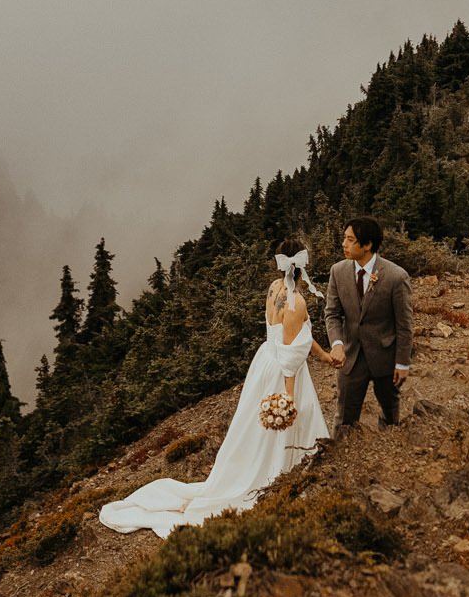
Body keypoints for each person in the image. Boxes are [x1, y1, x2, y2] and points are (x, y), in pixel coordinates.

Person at [97, 241, 333, 537]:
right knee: (293, 418)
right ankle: (285, 475)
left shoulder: (275, 288)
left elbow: (295, 336)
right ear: (302, 266)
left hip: (264, 362)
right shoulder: (296, 302)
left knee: (253, 428)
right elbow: (291, 355)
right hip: (283, 371)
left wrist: (323, 356)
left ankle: (268, 469)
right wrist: (287, 397)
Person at [323, 215, 411, 431]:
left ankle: (387, 453)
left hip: (385, 358)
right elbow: (332, 313)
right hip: (351, 358)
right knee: (344, 419)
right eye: (344, 238)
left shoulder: (396, 276)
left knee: (390, 416)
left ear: (368, 244)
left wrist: (402, 363)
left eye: (350, 239)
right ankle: (341, 457)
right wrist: (337, 344)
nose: (344, 244)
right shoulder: (338, 271)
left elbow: (404, 324)